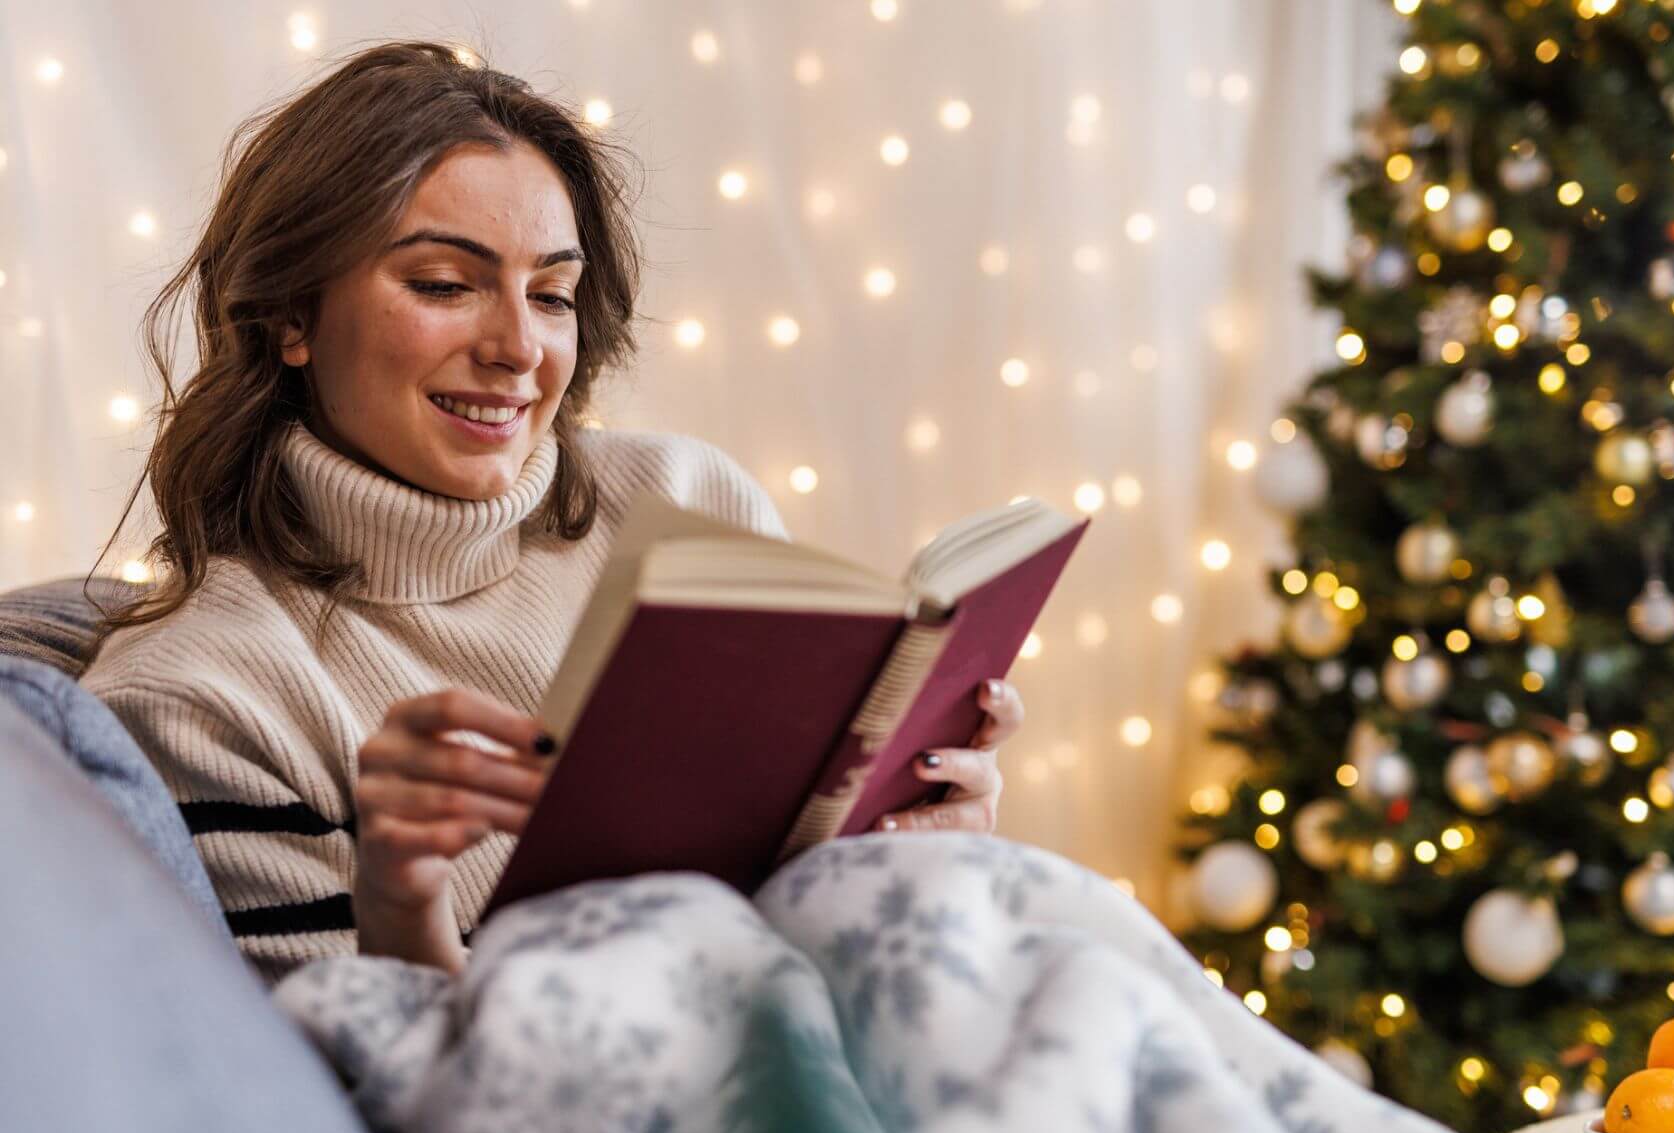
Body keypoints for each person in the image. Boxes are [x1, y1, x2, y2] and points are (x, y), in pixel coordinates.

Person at [78, 40, 1019, 987]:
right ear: (289, 315)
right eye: (444, 284)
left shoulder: (687, 500)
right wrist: (402, 909)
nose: (520, 349)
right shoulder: (198, 701)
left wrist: (924, 843)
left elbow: (817, 911)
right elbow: (371, 1101)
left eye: (552, 294)